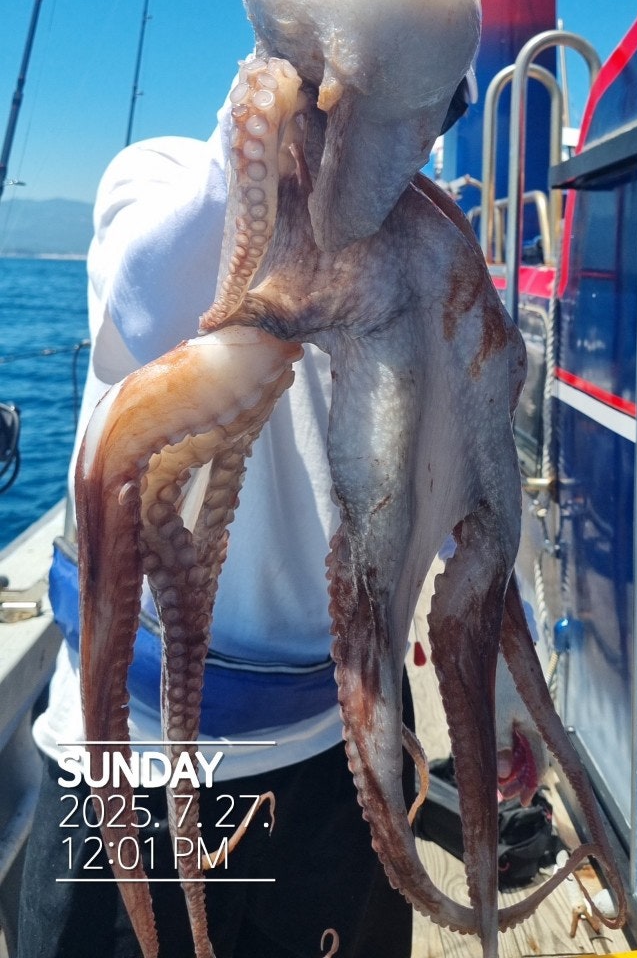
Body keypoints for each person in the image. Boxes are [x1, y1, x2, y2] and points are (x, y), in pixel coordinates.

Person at [17, 78, 416, 958]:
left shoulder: (403, 257)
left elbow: (453, 477)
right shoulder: (156, 174)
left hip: (330, 766)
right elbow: (147, 307)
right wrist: (276, 98)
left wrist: (499, 703)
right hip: (127, 770)